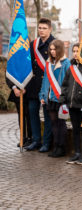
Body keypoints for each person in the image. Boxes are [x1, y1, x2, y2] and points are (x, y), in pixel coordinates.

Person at [59, 43, 82, 165]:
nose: (75, 53)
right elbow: (65, 86)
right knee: (75, 130)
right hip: (72, 104)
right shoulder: (71, 68)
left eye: (78, 51)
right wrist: (63, 101)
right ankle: (77, 153)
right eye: (74, 51)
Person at [26, 17, 55, 152]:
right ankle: (36, 140)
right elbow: (29, 64)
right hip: (33, 85)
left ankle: (46, 143)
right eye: (39, 28)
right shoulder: (33, 44)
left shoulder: (55, 44)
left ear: (50, 29)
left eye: (44, 28)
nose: (41, 30)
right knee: (33, 112)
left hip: (47, 86)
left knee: (47, 116)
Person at [38, 39, 70, 157]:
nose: (52, 52)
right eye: (50, 49)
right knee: (54, 123)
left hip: (61, 99)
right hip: (51, 98)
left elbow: (68, 83)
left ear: (60, 49)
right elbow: (46, 81)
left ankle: (61, 148)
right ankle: (56, 146)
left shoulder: (66, 63)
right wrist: (42, 95)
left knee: (61, 123)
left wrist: (65, 98)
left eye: (54, 49)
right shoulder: (49, 63)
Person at [6, 76, 32, 148]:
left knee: (29, 116)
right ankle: (23, 138)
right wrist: (14, 88)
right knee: (21, 116)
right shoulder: (11, 63)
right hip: (17, 92)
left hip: (29, 92)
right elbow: (8, 75)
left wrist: (26, 88)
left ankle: (30, 138)